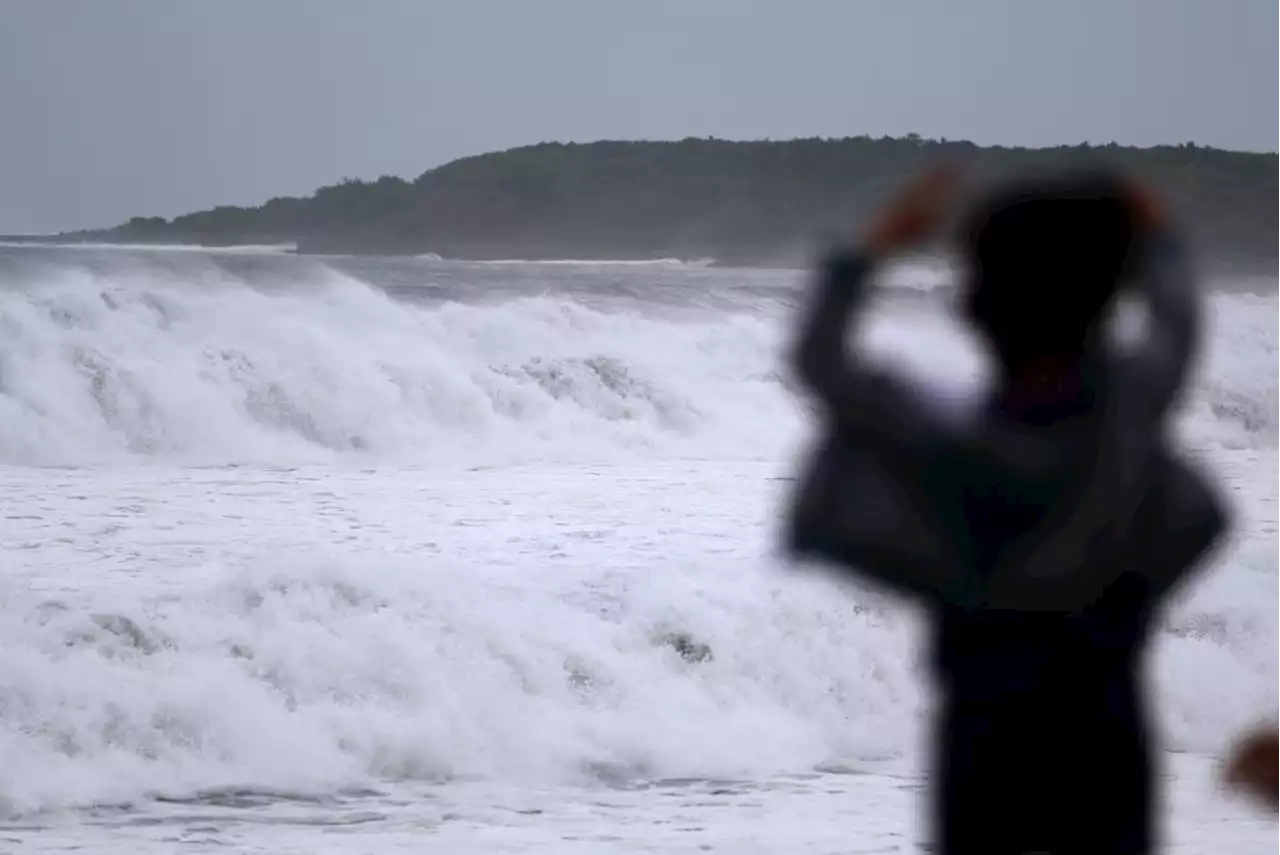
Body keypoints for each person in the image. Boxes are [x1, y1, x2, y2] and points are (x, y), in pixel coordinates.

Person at [783, 165, 1232, 854]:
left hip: (983, 722)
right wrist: (1159, 234)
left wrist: (873, 247)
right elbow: (1179, 325)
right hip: (1103, 719)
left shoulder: (948, 440)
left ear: (972, 307)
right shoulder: (1126, 413)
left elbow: (822, 362)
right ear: (1107, 300)